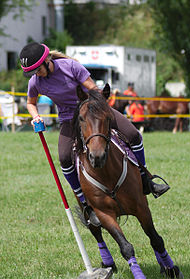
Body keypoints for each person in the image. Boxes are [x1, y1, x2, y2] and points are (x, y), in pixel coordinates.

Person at [19, 42, 169, 227]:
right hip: (69, 119)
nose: (36, 74)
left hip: (93, 110)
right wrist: (35, 117)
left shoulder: (71, 67)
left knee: (133, 134)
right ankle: (85, 203)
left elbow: (92, 89)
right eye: (32, 72)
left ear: (47, 60)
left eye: (37, 69)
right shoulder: (35, 82)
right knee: (65, 158)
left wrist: (99, 107)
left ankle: (145, 177)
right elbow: (30, 102)